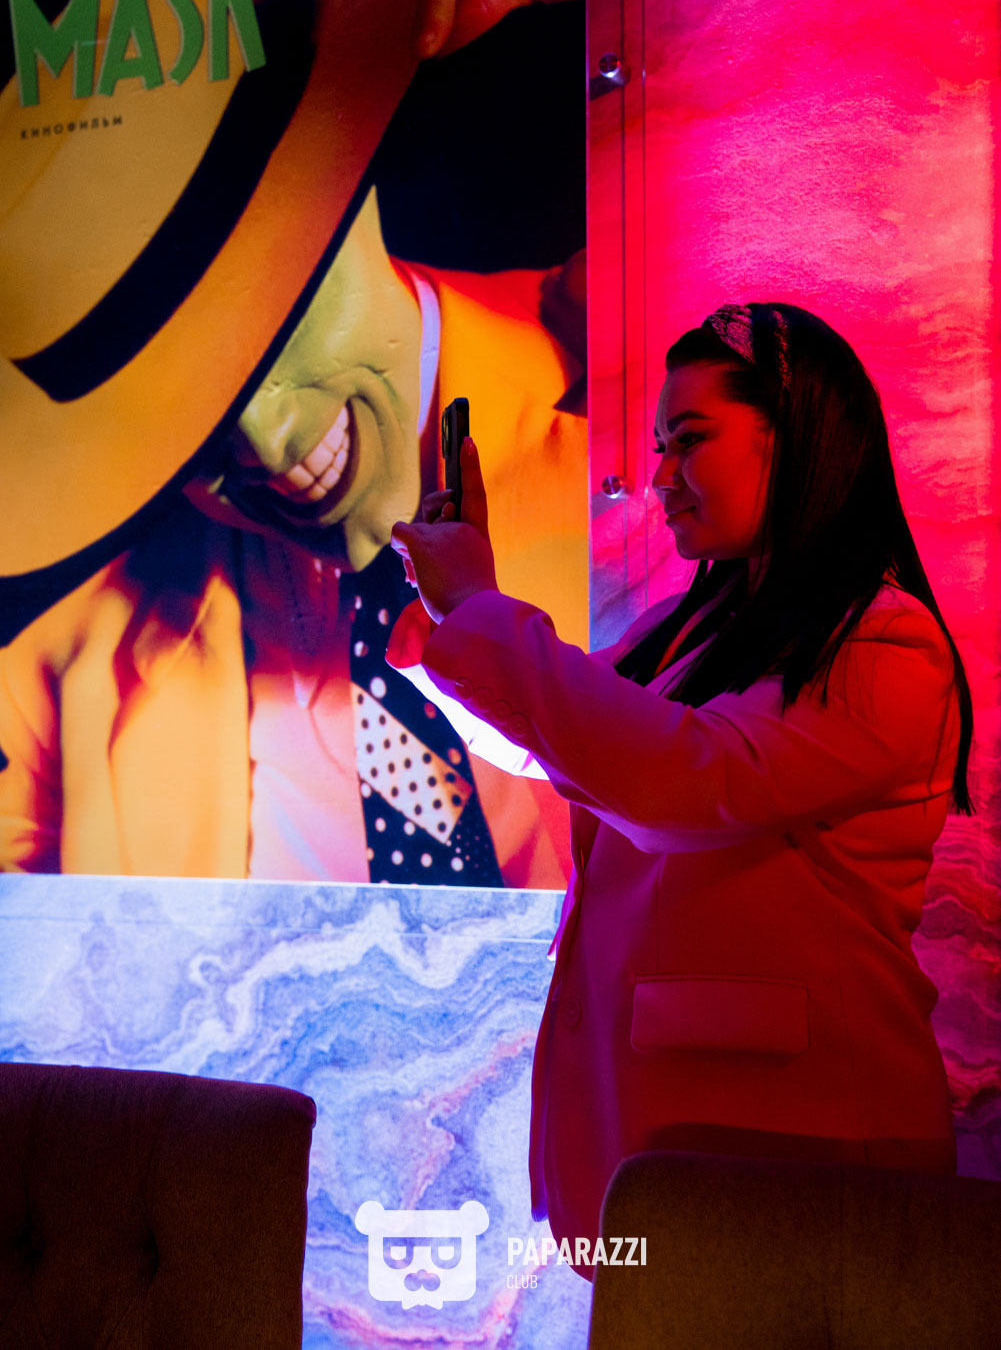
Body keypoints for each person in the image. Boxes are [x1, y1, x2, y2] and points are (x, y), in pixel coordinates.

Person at [0, 0, 586, 887]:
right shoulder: (56, 671)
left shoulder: (630, 395)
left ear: (343, 186)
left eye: (264, 325)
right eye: (180, 409)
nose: (267, 444)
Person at [388, 301, 974, 1268]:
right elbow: (570, 748)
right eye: (662, 446)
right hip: (682, 1138)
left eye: (689, 440)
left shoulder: (885, 642)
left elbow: (678, 784)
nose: (660, 476)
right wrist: (451, 623)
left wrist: (480, 609)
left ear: (799, 438)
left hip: (800, 1145)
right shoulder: (693, 625)